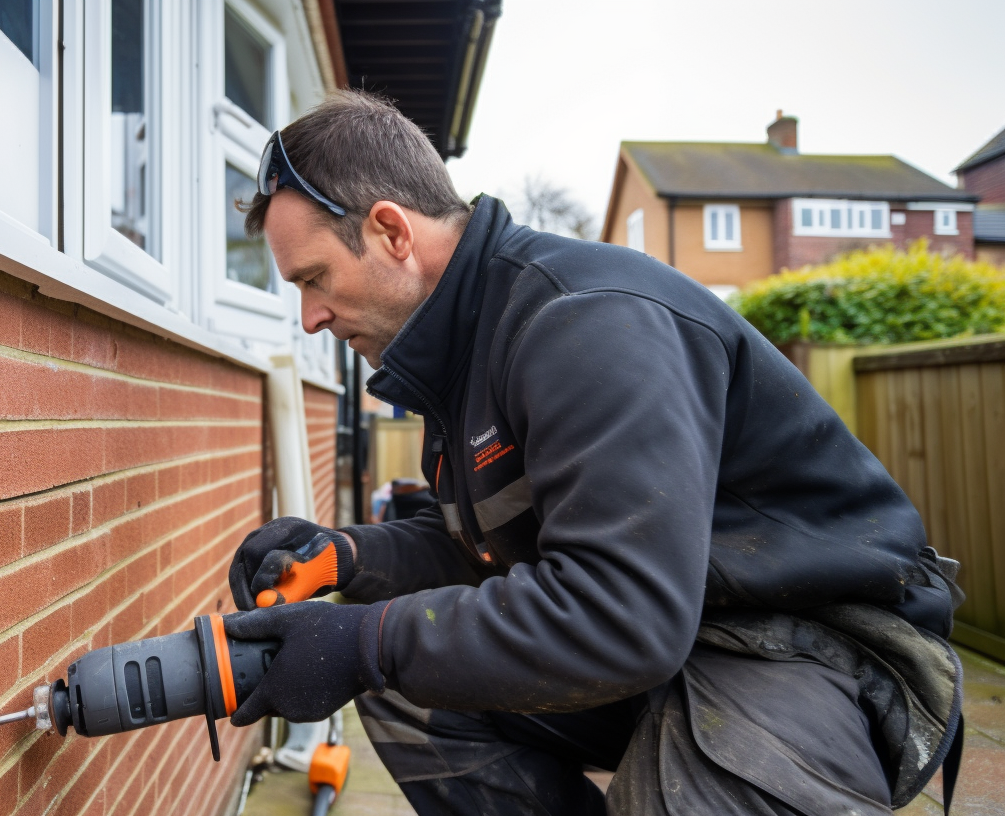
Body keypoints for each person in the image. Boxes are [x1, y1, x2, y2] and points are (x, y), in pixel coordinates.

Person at [221, 91, 965, 816]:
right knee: (408, 681)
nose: (310, 317)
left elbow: (618, 612)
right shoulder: (462, 357)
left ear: (391, 231)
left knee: (390, 656)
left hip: (809, 646)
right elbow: (507, 554)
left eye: (314, 279)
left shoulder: (583, 322)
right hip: (676, 633)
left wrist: (364, 641)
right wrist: (347, 556)